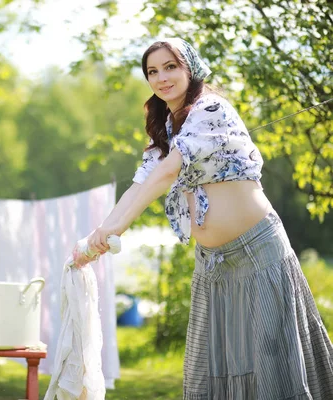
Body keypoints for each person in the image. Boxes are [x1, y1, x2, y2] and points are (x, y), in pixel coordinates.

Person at [74, 38, 333, 399]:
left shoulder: (211, 109)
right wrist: (95, 240)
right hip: (212, 264)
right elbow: (140, 186)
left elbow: (166, 175)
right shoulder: (165, 127)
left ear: (190, 68)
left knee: (272, 368)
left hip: (258, 253)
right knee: (213, 372)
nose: (161, 77)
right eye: (152, 71)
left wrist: (110, 231)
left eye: (170, 67)